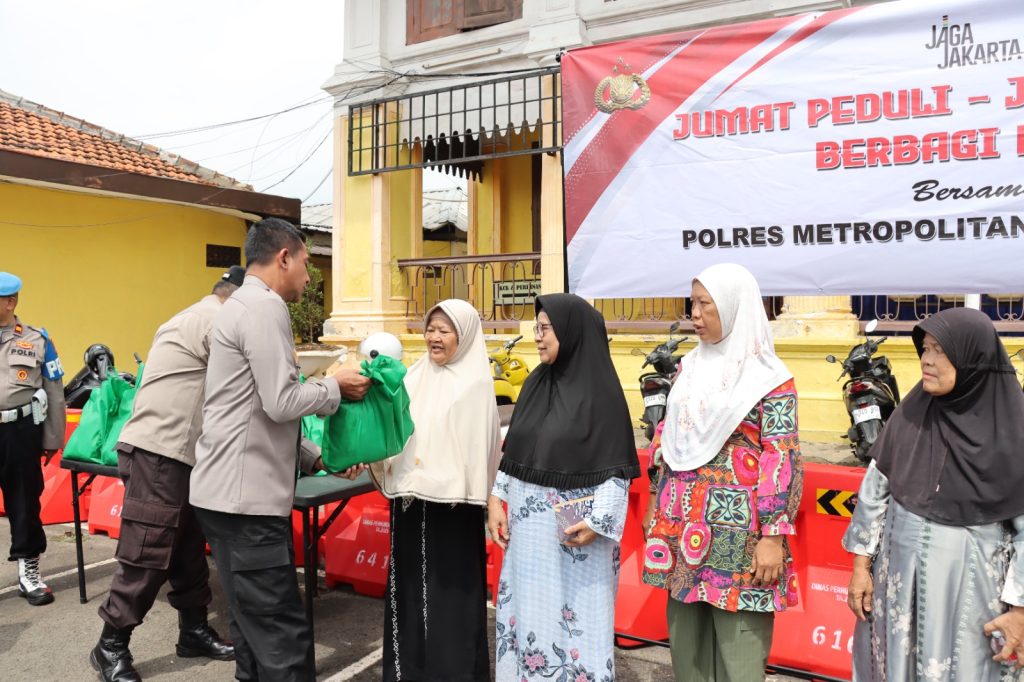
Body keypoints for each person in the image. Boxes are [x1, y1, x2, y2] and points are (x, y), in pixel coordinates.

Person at [189, 218, 370, 682]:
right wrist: (336, 385)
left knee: (251, 629)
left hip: (223, 497)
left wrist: (315, 457)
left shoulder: (237, 304)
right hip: (246, 505)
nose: (309, 277)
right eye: (306, 263)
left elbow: (251, 407)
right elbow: (281, 400)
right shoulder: (265, 306)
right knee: (281, 637)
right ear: (284, 258)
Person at [843, 307, 1024, 681]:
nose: (927, 359)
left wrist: (1020, 611)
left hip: (971, 598)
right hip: (896, 590)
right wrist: (861, 568)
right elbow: (874, 493)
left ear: (973, 360)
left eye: (941, 350)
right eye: (925, 348)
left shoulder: (1012, 434)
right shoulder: (910, 416)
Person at [641, 262, 802, 682]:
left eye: (704, 304)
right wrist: (656, 501)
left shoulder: (770, 379)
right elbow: (667, 436)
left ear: (733, 306)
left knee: (739, 657)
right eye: (692, 303)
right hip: (682, 528)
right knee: (688, 652)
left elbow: (780, 459)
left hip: (740, 538)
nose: (694, 314)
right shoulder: (689, 367)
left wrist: (773, 536)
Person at [89, 266, 245, 682]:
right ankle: (110, 645)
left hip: (179, 454)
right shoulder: (218, 322)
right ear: (240, 299)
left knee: (187, 546)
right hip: (162, 453)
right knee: (148, 551)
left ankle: (193, 630)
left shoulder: (196, 315)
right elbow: (256, 394)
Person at [488, 293, 640, 682]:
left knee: (577, 623)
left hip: (577, 539)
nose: (537, 336)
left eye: (545, 328)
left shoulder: (602, 392)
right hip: (529, 538)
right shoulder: (536, 383)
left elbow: (616, 465)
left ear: (572, 332)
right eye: (536, 328)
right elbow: (514, 449)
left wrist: (599, 522)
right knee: (529, 614)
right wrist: (497, 499)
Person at [369, 299, 501, 682]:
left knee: (450, 600)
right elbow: (394, 430)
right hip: (410, 505)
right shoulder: (414, 376)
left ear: (465, 335)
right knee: (408, 595)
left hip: (453, 511)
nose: (434, 337)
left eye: (445, 330)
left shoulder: (476, 385)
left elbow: (479, 452)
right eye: (430, 329)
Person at [0, 271, 65, 606]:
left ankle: (29, 572)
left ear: (10, 303)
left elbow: (54, 391)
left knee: (25, 502)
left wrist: (52, 438)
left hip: (20, 431)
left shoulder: (39, 340)